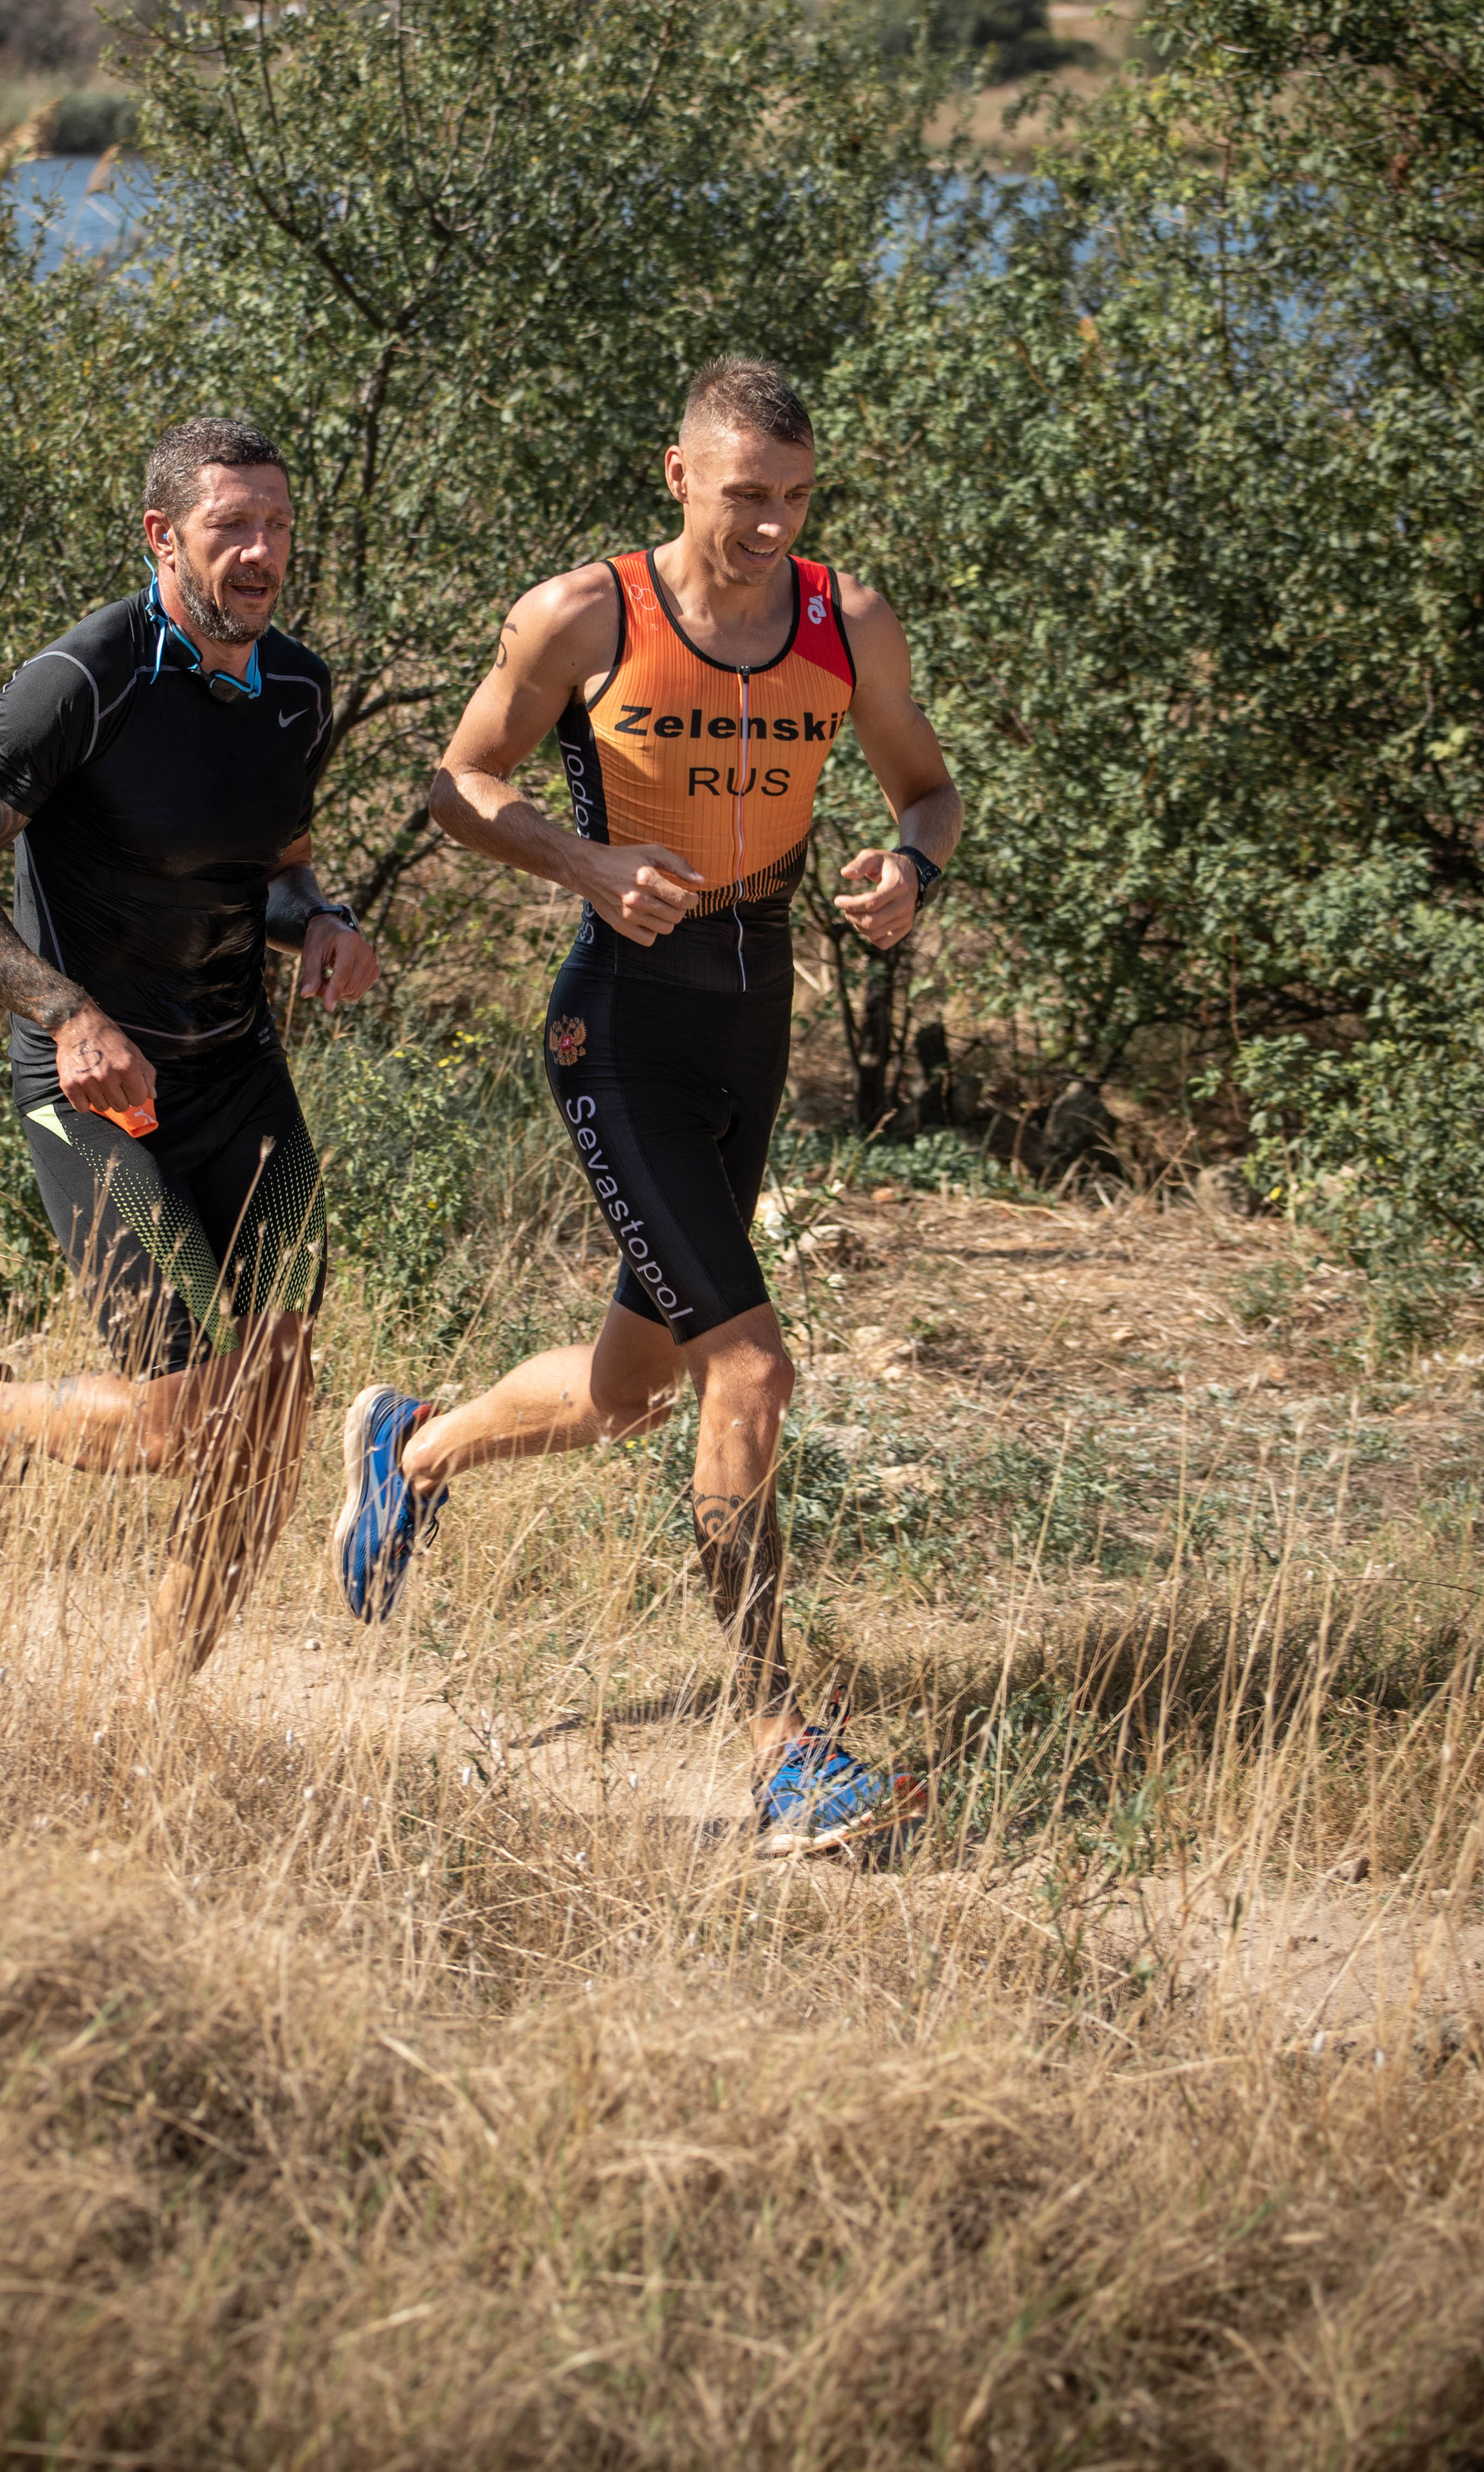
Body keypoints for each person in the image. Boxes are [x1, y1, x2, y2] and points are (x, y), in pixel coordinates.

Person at [334, 358, 962, 1852]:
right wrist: (585, 862)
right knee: (749, 1369)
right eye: (746, 494)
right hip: (617, 1022)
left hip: (753, 1012)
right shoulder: (584, 614)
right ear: (677, 475)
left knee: (637, 1389)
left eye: (796, 496)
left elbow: (926, 791)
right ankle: (780, 1746)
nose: (773, 525)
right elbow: (458, 783)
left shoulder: (847, 620)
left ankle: (410, 1449)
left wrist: (911, 869)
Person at [0, 416, 379, 1687]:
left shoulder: (298, 687)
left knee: (270, 1412)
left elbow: (272, 868)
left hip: (240, 1078)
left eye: (278, 524)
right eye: (232, 526)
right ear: (164, 535)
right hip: (97, 1091)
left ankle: (155, 1708)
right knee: (182, 1420)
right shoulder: (85, 679)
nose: (262, 551)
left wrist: (322, 921)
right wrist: (67, 1012)